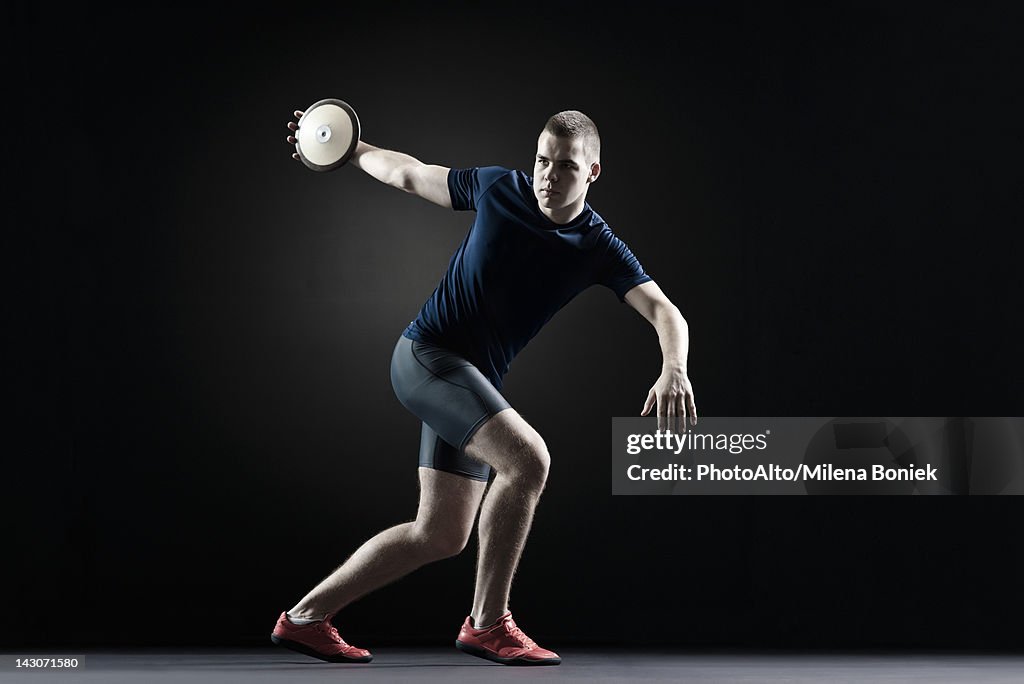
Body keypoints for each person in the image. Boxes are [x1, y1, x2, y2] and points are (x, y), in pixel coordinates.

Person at [270, 109, 697, 666]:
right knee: (528, 460)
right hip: (427, 357)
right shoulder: (500, 186)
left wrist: (675, 368)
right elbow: (409, 173)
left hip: (469, 381)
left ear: (592, 172)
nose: (547, 175)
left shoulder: (597, 244)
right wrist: (349, 148)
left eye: (565, 166)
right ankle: (488, 623)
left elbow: (665, 310)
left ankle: (304, 619)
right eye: (542, 160)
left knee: (441, 534)